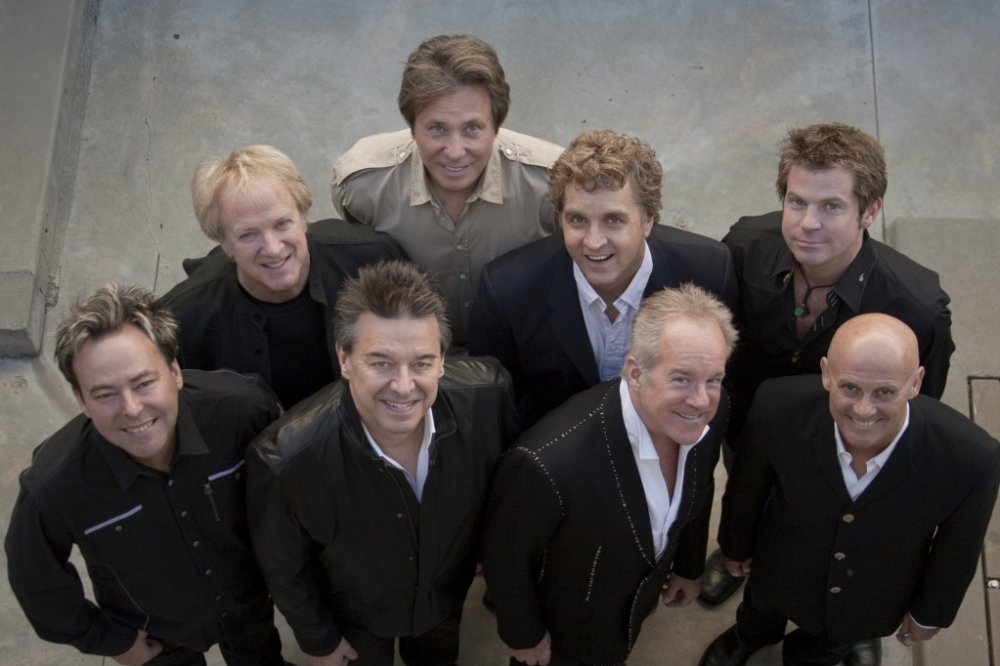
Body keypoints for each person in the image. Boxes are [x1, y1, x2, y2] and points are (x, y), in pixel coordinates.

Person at [700, 123, 956, 656]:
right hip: (750, 430)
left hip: (846, 448)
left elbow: (916, 409)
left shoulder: (916, 307)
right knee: (749, 500)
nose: (807, 223)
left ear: (870, 210)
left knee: (833, 539)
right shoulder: (745, 246)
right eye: (797, 201)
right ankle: (742, 566)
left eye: (832, 206)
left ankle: (845, 631)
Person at [246, 260, 519, 665]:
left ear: (442, 359)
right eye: (381, 363)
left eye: (422, 362)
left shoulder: (489, 400)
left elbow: (506, 499)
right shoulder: (285, 460)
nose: (404, 386)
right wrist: (319, 639)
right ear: (343, 357)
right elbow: (285, 568)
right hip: (355, 616)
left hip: (443, 599)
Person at [5, 284, 288, 665]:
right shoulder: (53, 487)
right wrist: (112, 641)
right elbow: (36, 581)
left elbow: (293, 494)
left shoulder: (244, 411)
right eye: (105, 394)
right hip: (155, 636)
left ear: (175, 371)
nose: (132, 409)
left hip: (248, 606)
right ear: (81, 399)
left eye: (143, 383)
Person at [699, 313, 1000, 666]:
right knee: (760, 610)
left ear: (916, 382)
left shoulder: (972, 458)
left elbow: (958, 549)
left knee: (824, 649)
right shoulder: (776, 406)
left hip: (872, 592)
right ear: (826, 373)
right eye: (850, 387)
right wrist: (735, 546)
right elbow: (747, 488)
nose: (864, 409)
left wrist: (930, 613)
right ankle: (749, 637)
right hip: (781, 565)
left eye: (885, 392)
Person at [482, 284, 738, 665]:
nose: (701, 400)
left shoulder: (707, 416)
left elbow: (700, 487)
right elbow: (505, 559)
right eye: (681, 378)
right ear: (636, 373)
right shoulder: (546, 464)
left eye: (713, 379)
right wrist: (524, 635)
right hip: (569, 633)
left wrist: (688, 565)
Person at [469, 129, 736, 427]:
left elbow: (726, 385)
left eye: (613, 220)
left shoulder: (709, 271)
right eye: (578, 220)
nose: (593, 242)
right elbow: (500, 408)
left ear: (648, 220)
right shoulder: (508, 289)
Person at [331, 34, 563, 345]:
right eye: (437, 128)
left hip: (523, 346)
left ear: (496, 126)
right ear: (412, 128)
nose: (455, 152)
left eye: (472, 128)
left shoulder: (551, 184)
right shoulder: (361, 185)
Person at [162, 144, 407, 407]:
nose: (273, 248)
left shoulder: (374, 260)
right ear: (224, 243)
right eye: (248, 235)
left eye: (282, 224)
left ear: (303, 216)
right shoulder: (185, 317)